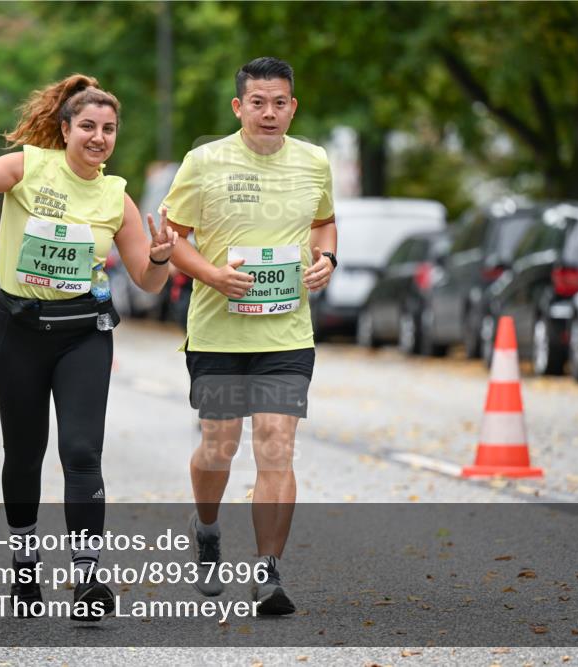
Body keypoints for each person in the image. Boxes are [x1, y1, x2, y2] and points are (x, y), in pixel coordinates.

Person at [0, 74, 176, 620]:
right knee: (24, 455)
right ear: (64, 129)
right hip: (19, 330)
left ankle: (88, 580)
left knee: (82, 452)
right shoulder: (27, 165)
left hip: (83, 334)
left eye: (108, 129)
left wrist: (160, 256)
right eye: (87, 126)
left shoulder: (117, 196)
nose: (98, 137)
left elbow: (146, 280)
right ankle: (25, 570)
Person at [163, 57, 337, 615]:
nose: (269, 112)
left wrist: (327, 256)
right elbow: (172, 236)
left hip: (286, 333)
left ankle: (268, 572)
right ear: (238, 107)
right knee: (219, 447)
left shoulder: (315, 161)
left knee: (276, 446)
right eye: (257, 102)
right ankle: (207, 526)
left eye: (279, 102)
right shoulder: (204, 161)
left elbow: (323, 221)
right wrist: (211, 273)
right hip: (217, 333)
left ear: (293, 106)